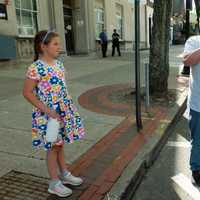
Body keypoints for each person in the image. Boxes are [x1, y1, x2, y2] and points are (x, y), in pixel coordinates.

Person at [23, 30, 85, 197]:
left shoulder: (58, 64)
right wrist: (48, 110)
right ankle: (54, 182)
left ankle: (64, 173)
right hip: (48, 115)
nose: (60, 47)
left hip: (62, 111)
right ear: (43, 46)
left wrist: (66, 108)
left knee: (60, 144)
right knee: (52, 147)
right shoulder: (35, 68)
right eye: (55, 44)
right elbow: (27, 92)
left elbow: (61, 87)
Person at [183, 35, 200, 186]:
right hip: (198, 104)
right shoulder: (194, 41)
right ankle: (196, 169)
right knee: (198, 141)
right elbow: (187, 61)